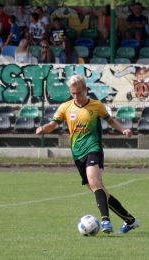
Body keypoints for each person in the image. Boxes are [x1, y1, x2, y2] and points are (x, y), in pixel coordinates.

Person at [36, 75, 139, 234]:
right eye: (73, 93)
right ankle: (130, 220)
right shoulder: (65, 107)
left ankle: (105, 221)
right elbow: (52, 124)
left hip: (94, 149)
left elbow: (110, 120)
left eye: (78, 92)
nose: (76, 96)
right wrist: (44, 129)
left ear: (85, 89)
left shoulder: (96, 105)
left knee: (93, 180)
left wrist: (123, 130)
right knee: (100, 190)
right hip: (78, 154)